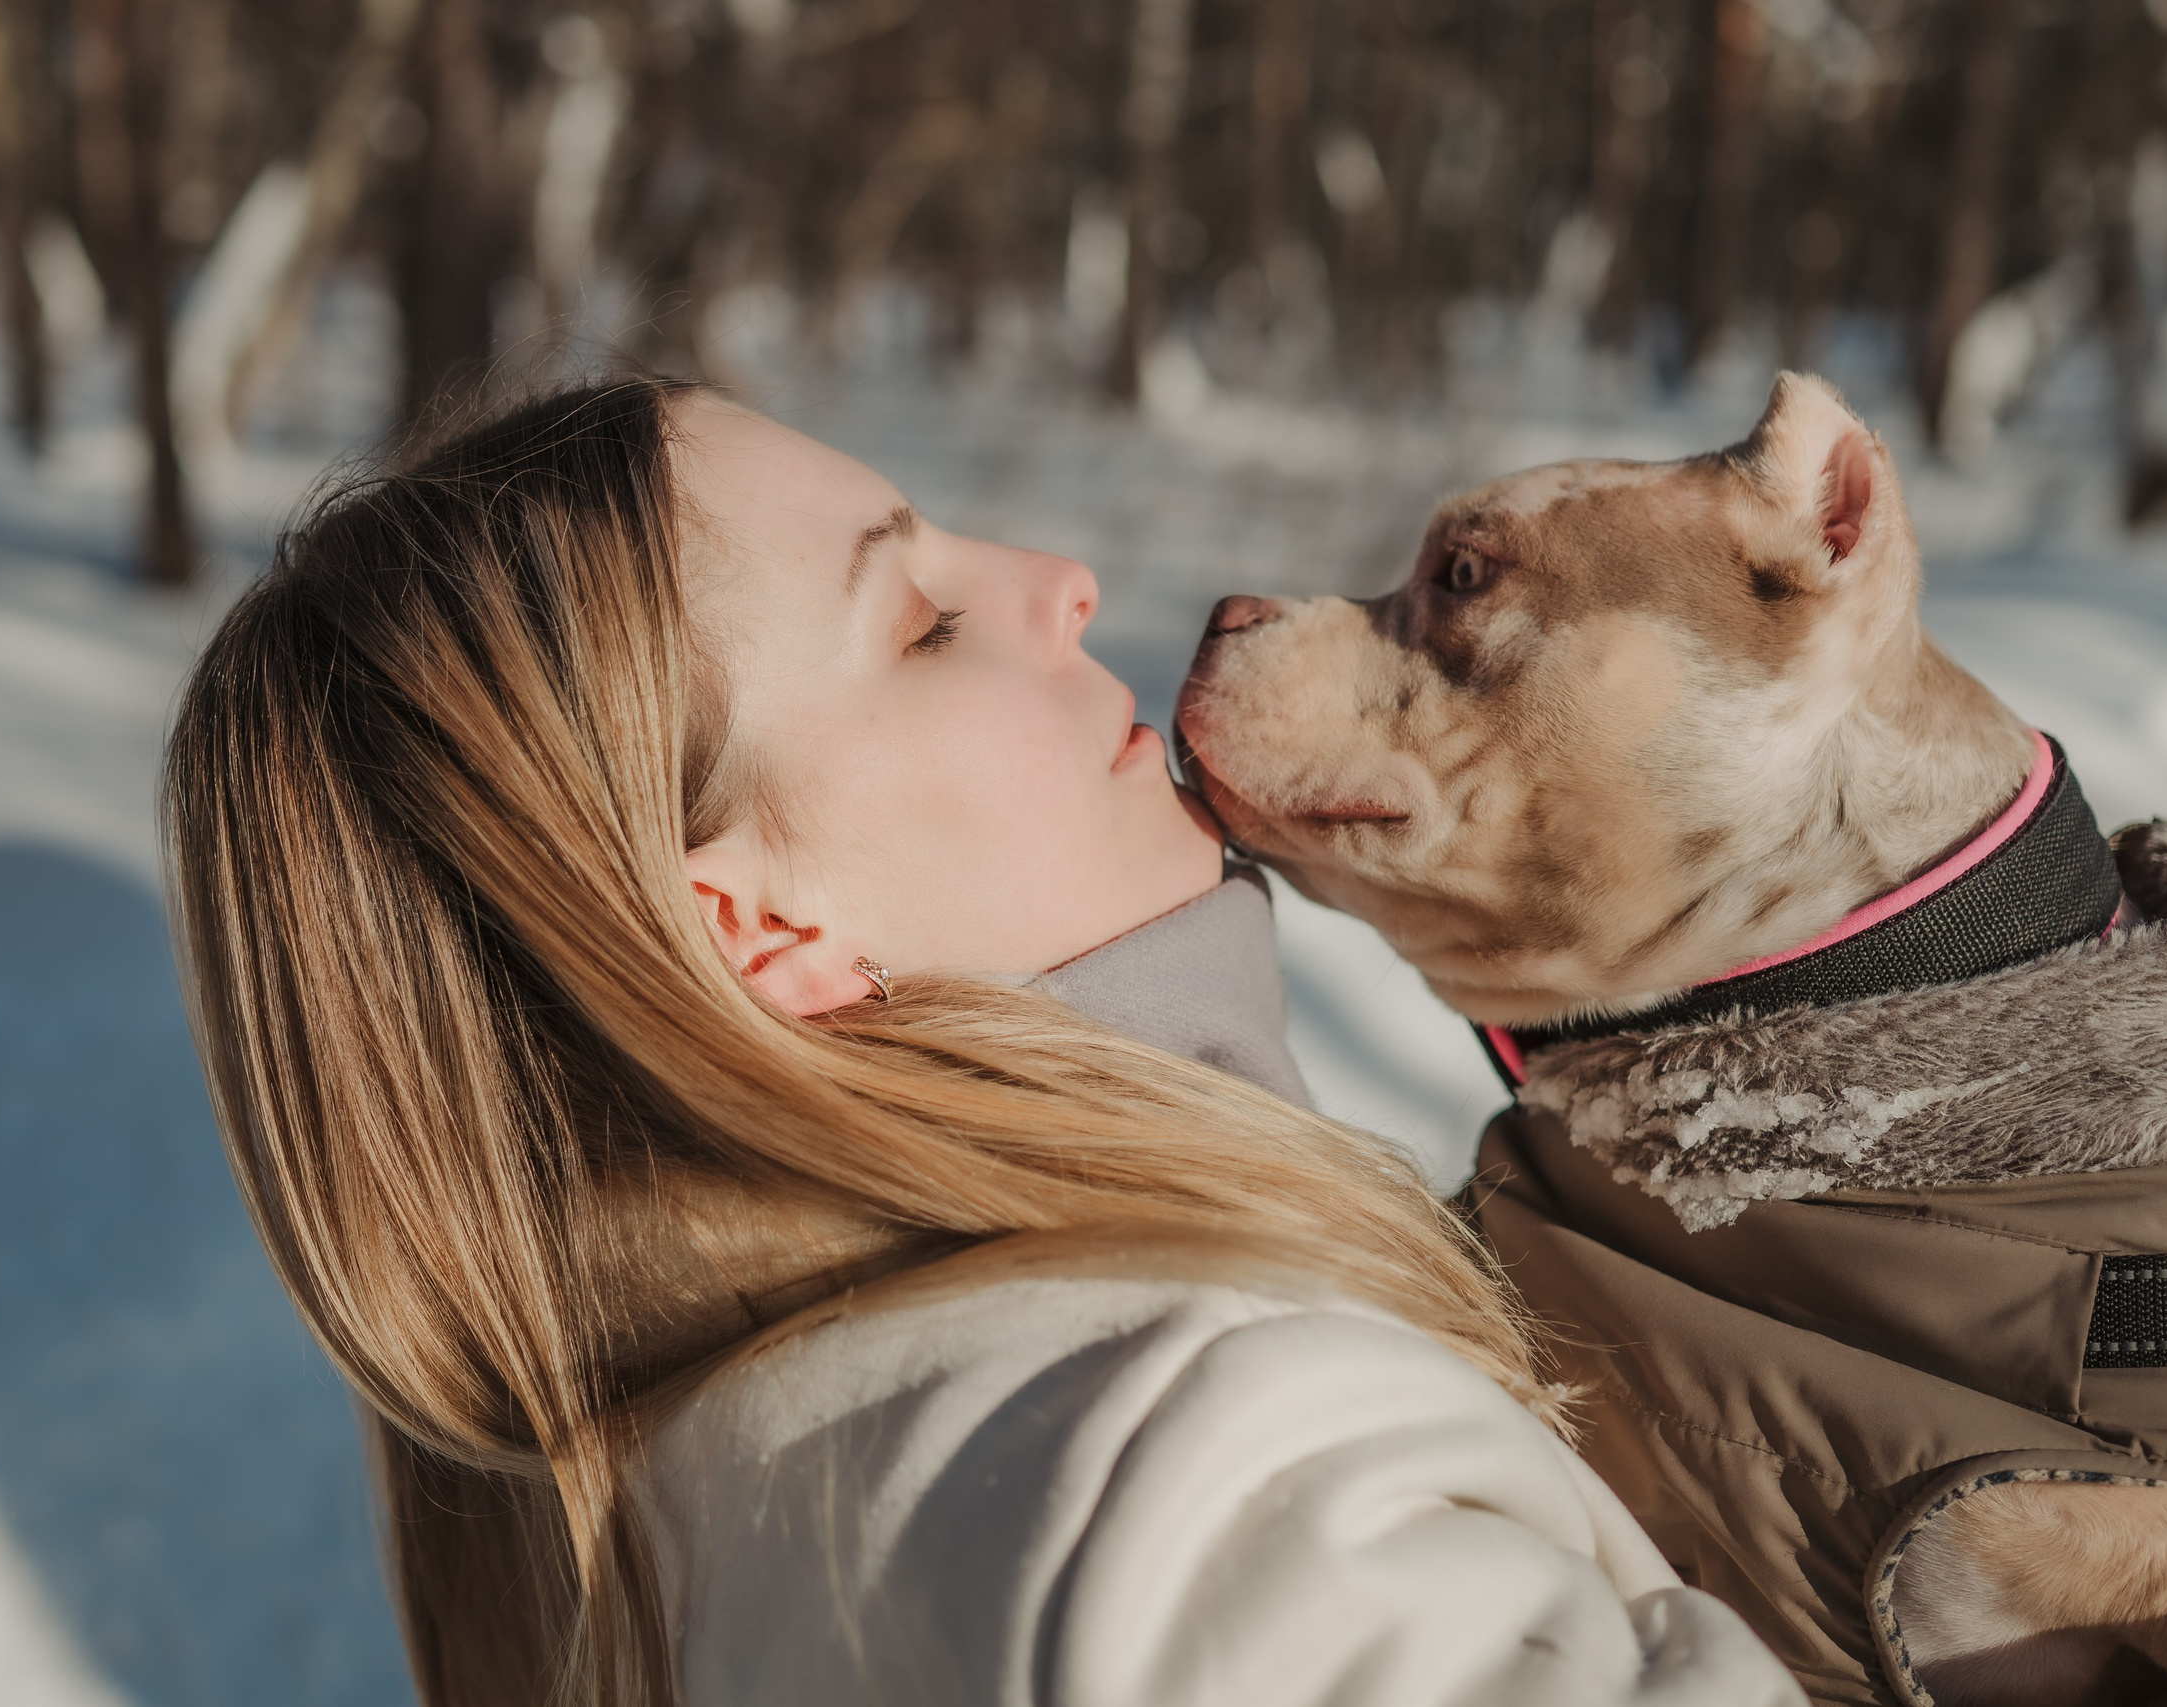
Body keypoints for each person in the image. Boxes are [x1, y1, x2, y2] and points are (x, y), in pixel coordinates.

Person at [163, 377, 1799, 1707]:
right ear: (759, 931)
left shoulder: (679, 1501)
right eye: (926, 620)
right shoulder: (1212, 1486)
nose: (1058, 579)